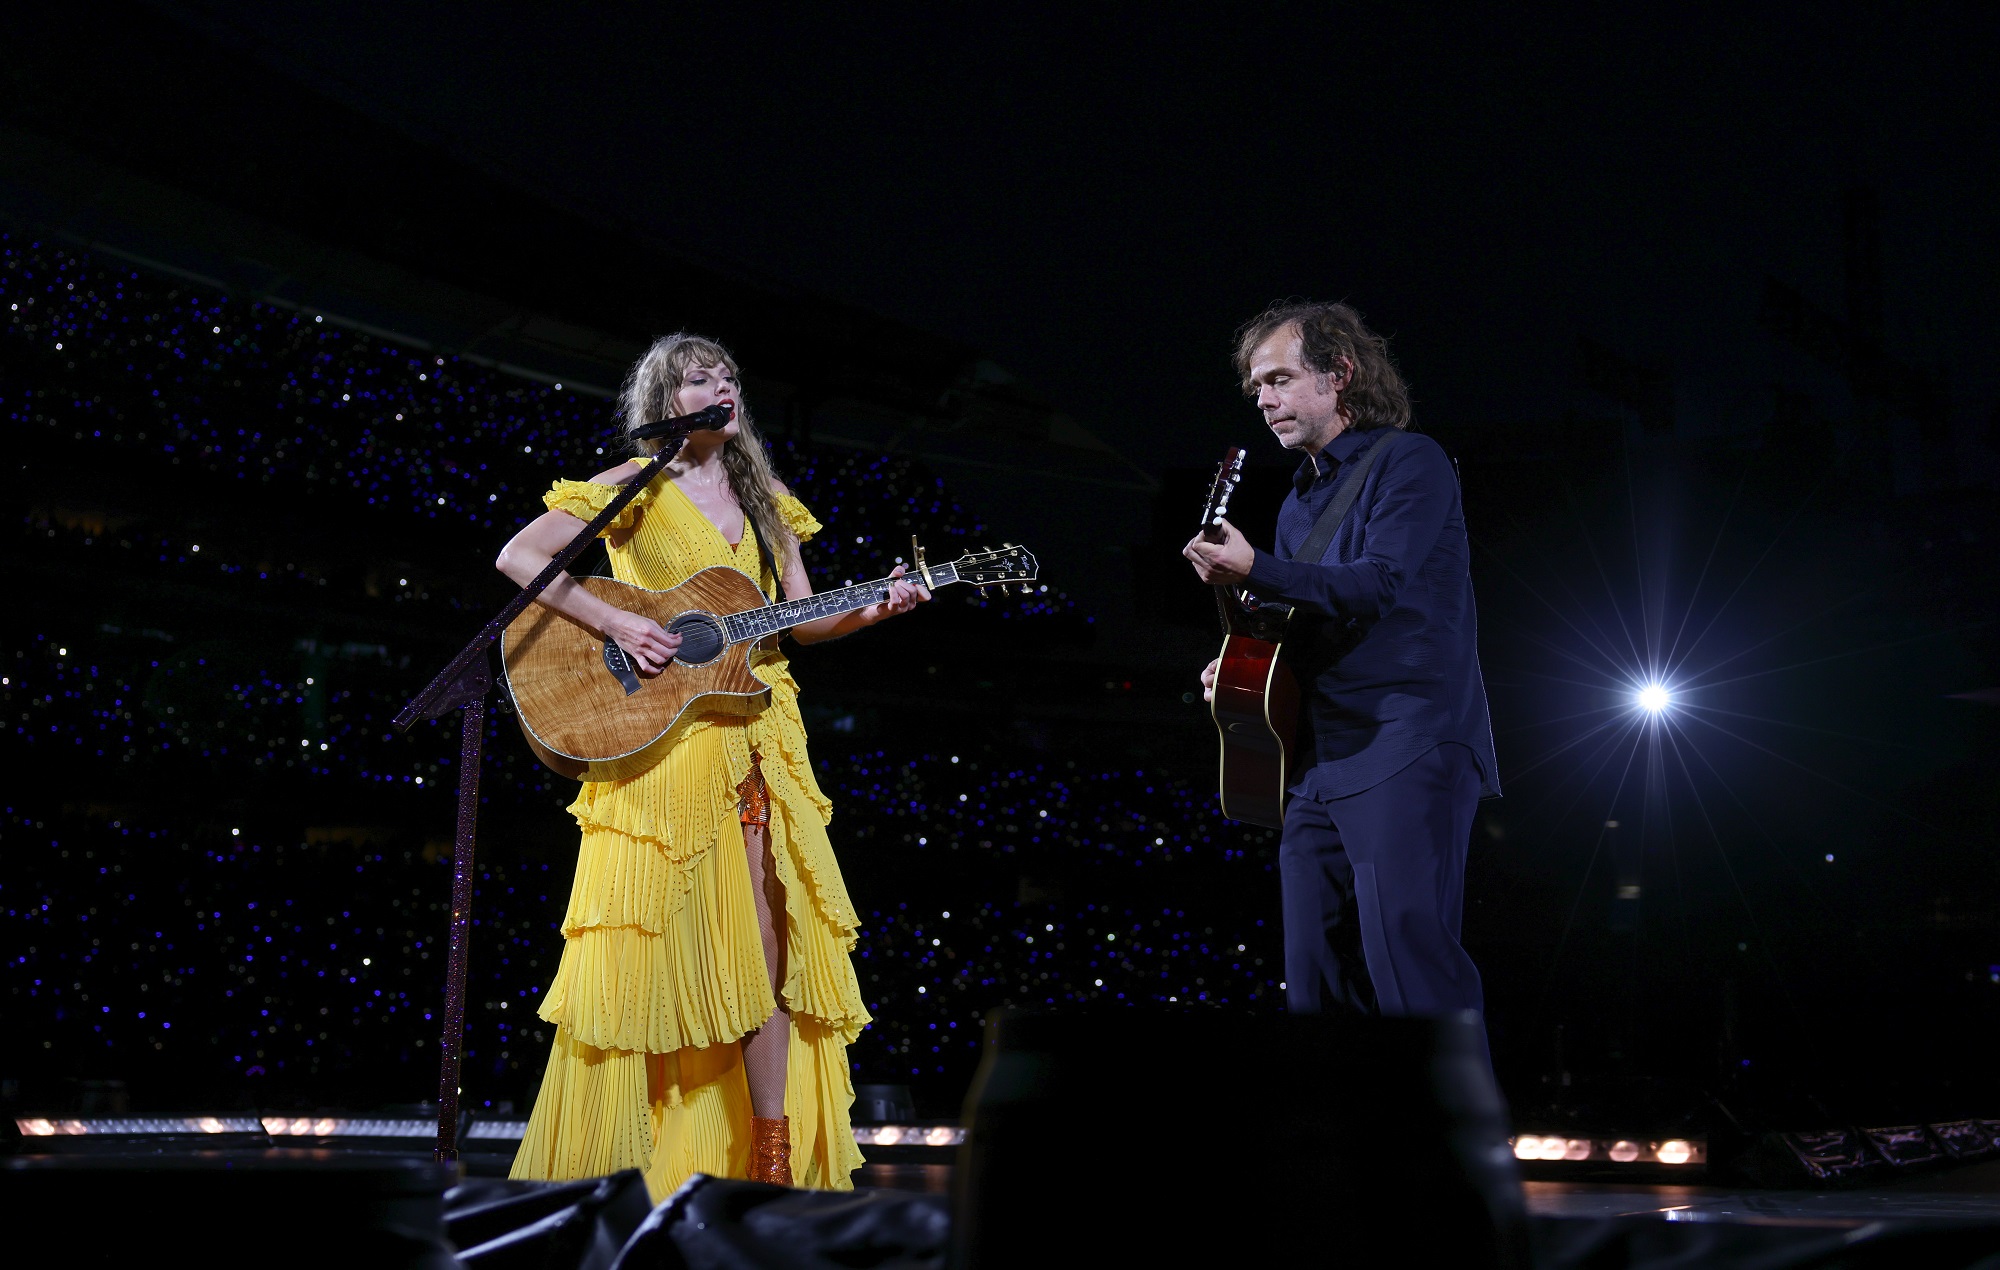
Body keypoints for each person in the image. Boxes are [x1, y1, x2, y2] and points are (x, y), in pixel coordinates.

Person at [497, 333, 927, 1197]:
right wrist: (617, 622)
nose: (722, 387)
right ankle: (616, 1169)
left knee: (769, 944)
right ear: (667, 398)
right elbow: (520, 556)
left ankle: (765, 1162)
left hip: (760, 733)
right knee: (642, 951)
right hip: (660, 744)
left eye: (729, 376)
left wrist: (874, 609)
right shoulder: (632, 485)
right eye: (701, 378)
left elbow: (799, 621)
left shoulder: (767, 498)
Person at [1184, 301, 1499, 1028]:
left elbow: (1377, 582)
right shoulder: (1301, 497)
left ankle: (1456, 1139)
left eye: (1281, 379)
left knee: (1412, 974)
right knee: (1315, 989)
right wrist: (1241, 658)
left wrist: (1255, 566)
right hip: (1320, 761)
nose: (1264, 400)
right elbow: (1311, 614)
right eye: (1257, 387)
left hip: (1404, 740)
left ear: (1340, 375)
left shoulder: (1410, 462)